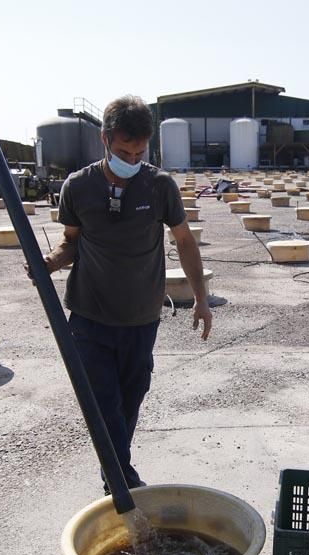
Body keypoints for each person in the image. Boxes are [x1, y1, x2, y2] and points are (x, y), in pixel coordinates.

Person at [40, 94, 212, 492]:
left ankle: (115, 471)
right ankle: (120, 479)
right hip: (89, 317)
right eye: (123, 152)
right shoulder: (78, 187)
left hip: (140, 320)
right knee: (104, 406)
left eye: (139, 153)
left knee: (130, 401)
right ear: (104, 140)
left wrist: (201, 299)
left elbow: (185, 241)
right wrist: (50, 261)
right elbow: (70, 243)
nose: (131, 161)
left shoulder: (159, 186)